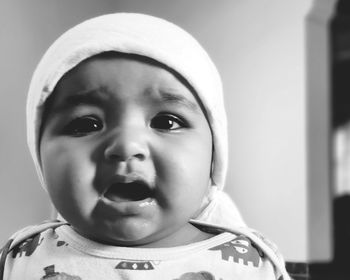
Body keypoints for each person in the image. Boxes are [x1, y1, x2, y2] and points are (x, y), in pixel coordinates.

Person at [0, 13, 291, 280]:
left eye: (166, 122)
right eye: (86, 124)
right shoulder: (20, 259)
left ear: (214, 155)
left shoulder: (251, 265)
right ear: (39, 154)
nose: (127, 146)